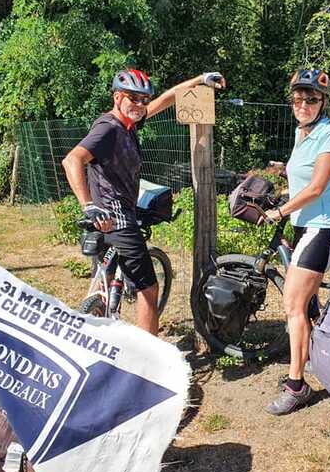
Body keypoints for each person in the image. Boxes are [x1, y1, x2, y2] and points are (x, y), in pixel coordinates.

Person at [62, 69, 225, 336]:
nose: (140, 105)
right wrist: (87, 205)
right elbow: (72, 160)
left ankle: (102, 320)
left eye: (143, 100)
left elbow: (166, 99)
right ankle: (148, 362)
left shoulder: (129, 123)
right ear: (117, 97)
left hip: (108, 219)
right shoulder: (109, 129)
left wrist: (199, 80)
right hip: (116, 220)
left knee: (108, 283)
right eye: (133, 98)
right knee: (148, 289)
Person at [261, 69, 330, 415]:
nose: (303, 104)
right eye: (298, 99)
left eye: (311, 99)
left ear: (323, 102)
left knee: (293, 307)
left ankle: (297, 386)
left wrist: (278, 212)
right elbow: (301, 183)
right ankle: (312, 358)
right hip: (304, 226)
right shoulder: (302, 133)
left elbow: (316, 188)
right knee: (306, 304)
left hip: (322, 229)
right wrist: (281, 197)